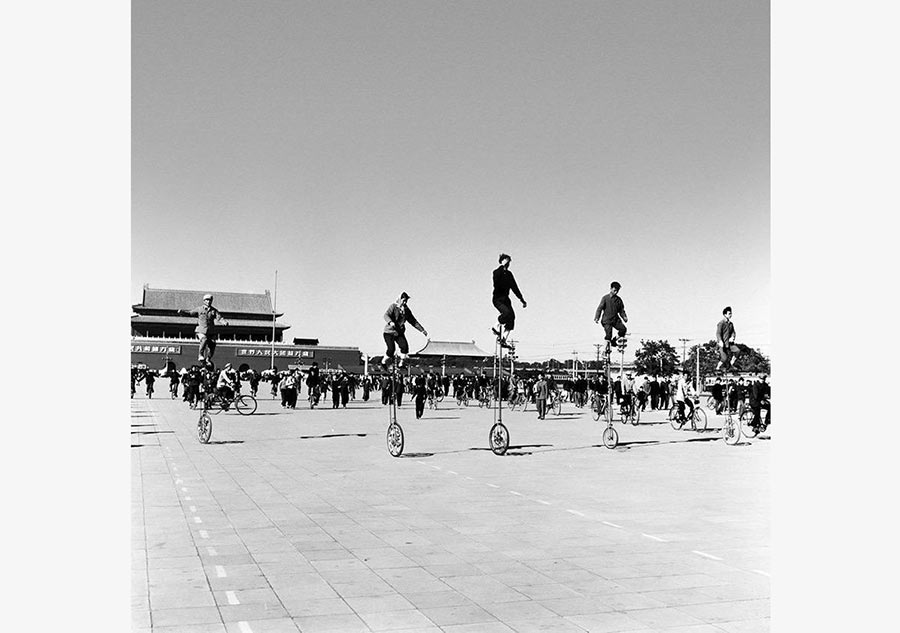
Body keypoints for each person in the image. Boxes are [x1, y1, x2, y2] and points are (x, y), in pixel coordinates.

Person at [178, 294, 229, 365]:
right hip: (201, 330)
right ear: (204, 301)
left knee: (213, 344)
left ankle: (208, 358)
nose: (208, 301)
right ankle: (200, 355)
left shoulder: (213, 310)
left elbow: (219, 318)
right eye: (207, 300)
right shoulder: (199, 309)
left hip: (210, 331)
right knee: (204, 339)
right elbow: (190, 313)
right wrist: (182, 312)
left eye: (210, 300)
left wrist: (224, 322)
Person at [382, 292, 428, 368]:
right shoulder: (393, 306)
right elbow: (386, 315)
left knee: (405, 347)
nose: (405, 302)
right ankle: (383, 362)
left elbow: (413, 321)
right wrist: (390, 322)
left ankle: (401, 363)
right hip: (389, 332)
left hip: (399, 333)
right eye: (403, 300)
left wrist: (422, 330)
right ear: (400, 300)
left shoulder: (406, 310)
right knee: (391, 349)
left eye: (406, 301)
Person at [491, 254, 527, 347]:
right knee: (506, 313)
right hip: (497, 298)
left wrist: (521, 299)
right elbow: (496, 283)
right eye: (506, 261)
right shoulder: (496, 272)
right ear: (502, 261)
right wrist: (502, 267)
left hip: (506, 299)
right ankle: (495, 327)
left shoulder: (509, 274)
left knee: (512, 317)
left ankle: (503, 339)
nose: (508, 263)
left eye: (509, 262)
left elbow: (515, 287)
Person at [594, 281, 628, 347]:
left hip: (615, 320)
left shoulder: (619, 300)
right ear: (611, 289)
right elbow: (600, 308)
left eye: (617, 290)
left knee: (623, 329)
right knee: (609, 335)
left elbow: (621, 310)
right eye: (615, 290)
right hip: (607, 320)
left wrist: (624, 317)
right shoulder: (605, 298)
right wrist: (597, 317)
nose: (616, 292)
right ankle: (605, 351)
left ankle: (614, 340)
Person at [715, 306, 739, 373]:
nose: (730, 315)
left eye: (731, 313)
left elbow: (733, 332)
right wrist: (720, 341)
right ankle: (718, 367)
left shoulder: (731, 324)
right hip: (722, 344)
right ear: (725, 314)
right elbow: (718, 333)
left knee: (737, 351)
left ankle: (732, 363)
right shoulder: (721, 323)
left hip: (729, 343)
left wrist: (733, 337)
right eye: (729, 314)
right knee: (724, 358)